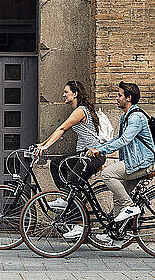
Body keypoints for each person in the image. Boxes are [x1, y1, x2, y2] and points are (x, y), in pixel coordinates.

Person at [35, 80, 106, 239]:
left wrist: (46, 147)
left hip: (92, 156)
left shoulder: (80, 110)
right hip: (84, 155)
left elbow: (62, 129)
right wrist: (43, 144)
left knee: (73, 181)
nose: (63, 94)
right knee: (56, 164)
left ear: (75, 93)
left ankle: (80, 224)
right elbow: (60, 130)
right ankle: (65, 197)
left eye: (66, 91)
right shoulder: (80, 110)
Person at [86, 81, 155, 243]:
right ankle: (115, 232)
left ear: (128, 98)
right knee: (119, 196)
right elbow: (117, 139)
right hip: (134, 162)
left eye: (119, 95)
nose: (116, 98)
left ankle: (131, 207)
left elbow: (124, 140)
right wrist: (99, 147)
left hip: (142, 163)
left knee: (108, 174)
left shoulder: (136, 117)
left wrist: (100, 151)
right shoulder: (126, 116)